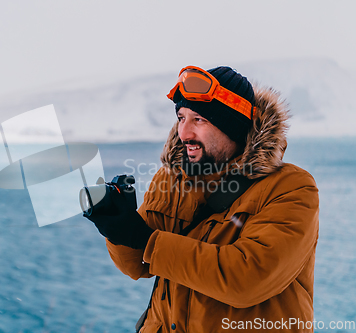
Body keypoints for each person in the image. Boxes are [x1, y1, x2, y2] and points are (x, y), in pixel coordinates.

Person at [85, 66, 319, 333]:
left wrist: (146, 240)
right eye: (181, 118)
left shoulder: (291, 187)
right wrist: (117, 227)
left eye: (199, 120)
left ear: (234, 126)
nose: (184, 133)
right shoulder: (171, 179)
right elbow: (136, 265)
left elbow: (246, 279)